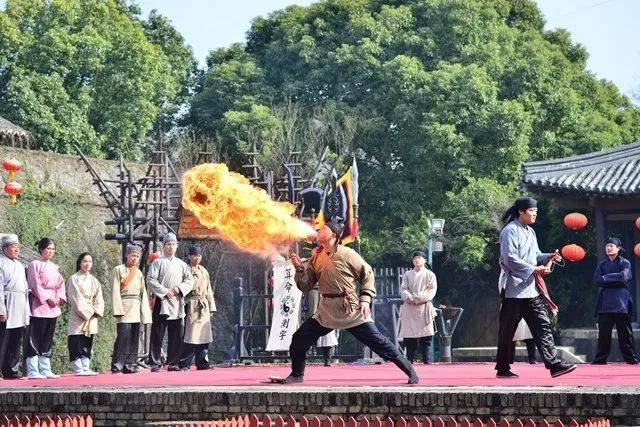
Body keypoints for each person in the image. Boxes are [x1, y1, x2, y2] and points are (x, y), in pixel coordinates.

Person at [287, 220, 418, 384]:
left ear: (333, 235)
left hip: (350, 309)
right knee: (299, 338)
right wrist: (300, 269)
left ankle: (411, 371)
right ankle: (297, 374)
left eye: (324, 228)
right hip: (327, 309)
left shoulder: (347, 254)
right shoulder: (317, 257)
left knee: (379, 342)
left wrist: (365, 299)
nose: (319, 230)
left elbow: (367, 274)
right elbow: (306, 286)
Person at [495, 197, 576, 378]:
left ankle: (554, 365)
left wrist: (549, 256)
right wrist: (533, 269)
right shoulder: (509, 231)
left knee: (543, 326)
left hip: (531, 290)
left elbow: (536, 255)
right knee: (507, 332)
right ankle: (502, 367)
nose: (535, 214)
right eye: (532, 211)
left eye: (536, 211)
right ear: (521, 212)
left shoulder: (530, 232)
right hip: (513, 290)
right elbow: (509, 259)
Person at [147, 233, 193, 372]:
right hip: (162, 300)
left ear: (176, 246)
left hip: (177, 301)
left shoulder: (182, 264)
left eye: (173, 244)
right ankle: (155, 363)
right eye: (168, 244)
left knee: (176, 333)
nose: (171, 246)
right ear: (164, 246)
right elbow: (151, 280)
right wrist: (165, 291)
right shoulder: (158, 262)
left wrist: (178, 289)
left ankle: (173, 362)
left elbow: (189, 280)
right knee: (157, 332)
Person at [592, 237, 639, 364]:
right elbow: (597, 280)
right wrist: (612, 278)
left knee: (625, 333)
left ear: (618, 248)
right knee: (603, 333)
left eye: (611, 246)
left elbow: (624, 277)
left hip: (621, 301)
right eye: (607, 246)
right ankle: (600, 359)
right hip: (605, 301)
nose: (608, 248)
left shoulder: (625, 262)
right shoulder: (602, 264)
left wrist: (605, 278)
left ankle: (631, 359)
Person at [25, 237, 66, 379]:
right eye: (48, 248)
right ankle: (32, 369)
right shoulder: (34, 265)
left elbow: (61, 284)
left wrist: (59, 298)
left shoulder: (55, 267)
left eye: (53, 249)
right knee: (35, 336)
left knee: (48, 337)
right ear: (41, 249)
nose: (51, 251)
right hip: (39, 304)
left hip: (53, 306)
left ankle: (45, 367)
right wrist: (48, 298)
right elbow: (34, 284)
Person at [111, 243, 152, 374]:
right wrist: (118, 309)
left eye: (137, 256)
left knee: (134, 337)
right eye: (133, 255)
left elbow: (143, 293)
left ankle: (130, 364)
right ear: (126, 255)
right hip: (124, 305)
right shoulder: (118, 270)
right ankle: (117, 364)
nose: (135, 258)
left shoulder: (139, 273)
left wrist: (145, 312)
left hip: (135, 306)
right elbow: (115, 290)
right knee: (123, 336)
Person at [178, 244, 216, 371]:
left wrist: (211, 306)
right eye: (194, 255)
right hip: (192, 303)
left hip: (203, 304)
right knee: (190, 336)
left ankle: (202, 363)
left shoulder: (204, 271)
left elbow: (208, 289)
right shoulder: (185, 270)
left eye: (199, 256)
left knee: (204, 336)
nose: (197, 258)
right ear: (189, 256)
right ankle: (184, 363)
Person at [67, 252, 105, 375]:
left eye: (89, 261)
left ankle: (85, 365)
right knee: (76, 337)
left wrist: (96, 310)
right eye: (84, 261)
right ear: (79, 263)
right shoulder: (74, 278)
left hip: (91, 312)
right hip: (79, 313)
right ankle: (77, 367)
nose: (87, 264)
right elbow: (75, 297)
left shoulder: (94, 280)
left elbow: (99, 298)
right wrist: (87, 311)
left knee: (87, 339)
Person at [0, 234, 30, 380]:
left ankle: (11, 369)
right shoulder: (1, 263)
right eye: (14, 246)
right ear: (5, 248)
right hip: (6, 301)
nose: (17, 249)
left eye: (18, 246)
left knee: (15, 337)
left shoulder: (19, 265)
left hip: (19, 302)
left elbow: (24, 287)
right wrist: (1, 308)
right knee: (2, 337)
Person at [399, 250, 437, 364]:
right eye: (415, 258)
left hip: (424, 308)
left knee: (426, 336)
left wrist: (419, 298)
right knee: (409, 336)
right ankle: (409, 360)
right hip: (409, 308)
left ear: (424, 260)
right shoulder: (407, 274)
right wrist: (409, 298)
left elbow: (432, 290)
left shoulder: (430, 275)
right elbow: (403, 289)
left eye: (419, 258)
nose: (416, 260)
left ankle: (427, 359)